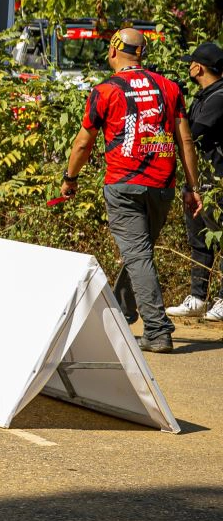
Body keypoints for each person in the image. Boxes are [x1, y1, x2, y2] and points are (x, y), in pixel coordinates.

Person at [60, 27, 203, 353]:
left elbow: (84, 143)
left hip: (124, 184)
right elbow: (186, 140)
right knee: (140, 252)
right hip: (162, 186)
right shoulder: (169, 87)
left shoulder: (106, 90)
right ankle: (123, 311)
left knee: (137, 254)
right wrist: (192, 187)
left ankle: (157, 330)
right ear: (142, 54)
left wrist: (70, 177)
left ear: (113, 51)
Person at [167, 41, 223, 321]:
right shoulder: (203, 95)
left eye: (191, 62)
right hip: (199, 180)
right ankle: (198, 298)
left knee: (220, 237)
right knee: (199, 238)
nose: (188, 66)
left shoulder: (219, 96)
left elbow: (194, 133)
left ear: (198, 67)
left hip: (218, 179)